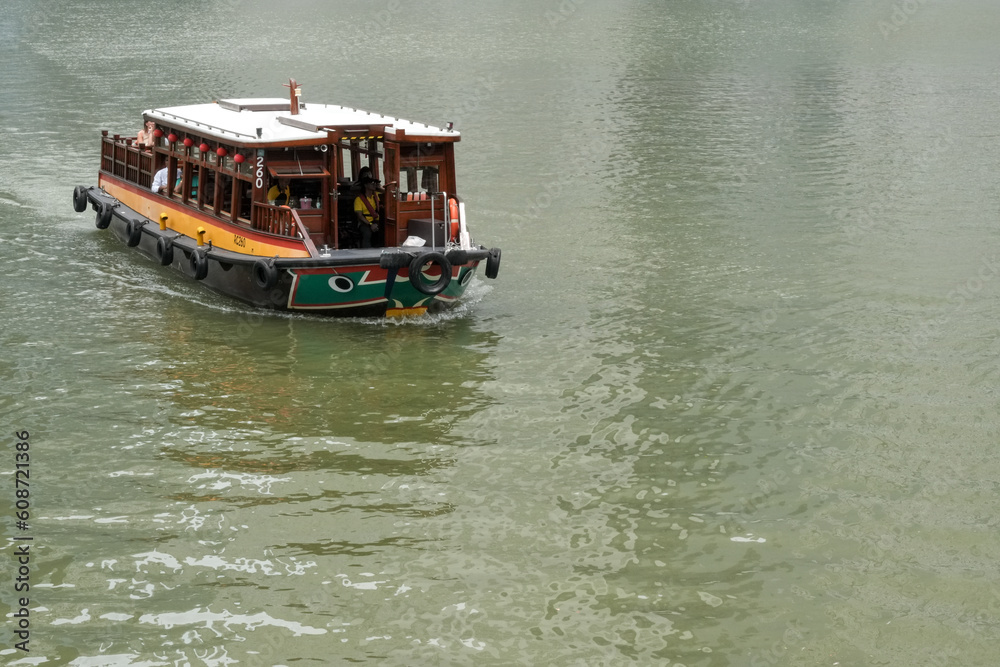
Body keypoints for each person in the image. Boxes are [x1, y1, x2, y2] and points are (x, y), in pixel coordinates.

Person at [354, 173, 381, 248]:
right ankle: (367, 252)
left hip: (377, 221)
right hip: (365, 223)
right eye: (372, 183)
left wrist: (379, 187)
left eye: (375, 183)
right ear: (365, 185)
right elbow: (359, 215)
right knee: (367, 233)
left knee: (384, 233)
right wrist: (370, 224)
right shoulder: (359, 199)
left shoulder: (376, 196)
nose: (374, 185)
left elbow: (387, 192)